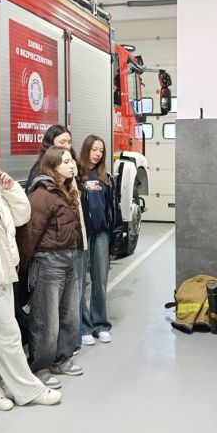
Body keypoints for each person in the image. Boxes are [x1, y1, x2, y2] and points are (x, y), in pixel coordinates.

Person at [0, 148, 63, 409]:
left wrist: (10, 190)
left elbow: (23, 216)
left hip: (5, 273)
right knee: (8, 336)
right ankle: (27, 389)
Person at [17, 146, 84, 385]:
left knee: (70, 315)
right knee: (46, 319)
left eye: (71, 160)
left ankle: (61, 358)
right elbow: (29, 235)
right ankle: (40, 367)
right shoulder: (42, 195)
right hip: (48, 263)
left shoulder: (65, 190)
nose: (71, 165)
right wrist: (26, 269)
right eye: (65, 161)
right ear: (53, 166)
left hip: (69, 259)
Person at [77, 135, 122, 346]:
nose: (97, 153)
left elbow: (115, 211)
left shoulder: (107, 178)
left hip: (102, 235)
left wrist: (115, 242)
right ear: (86, 149)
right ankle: (84, 327)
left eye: (101, 150)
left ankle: (101, 324)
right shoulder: (76, 176)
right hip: (82, 236)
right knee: (80, 284)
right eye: (94, 149)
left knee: (100, 281)